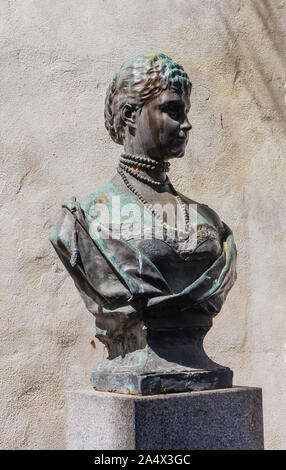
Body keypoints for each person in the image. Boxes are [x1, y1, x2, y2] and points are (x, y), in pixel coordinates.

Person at [49, 53, 237, 394]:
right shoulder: (87, 218)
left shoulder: (209, 219)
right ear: (131, 115)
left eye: (187, 112)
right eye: (172, 110)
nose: (187, 124)